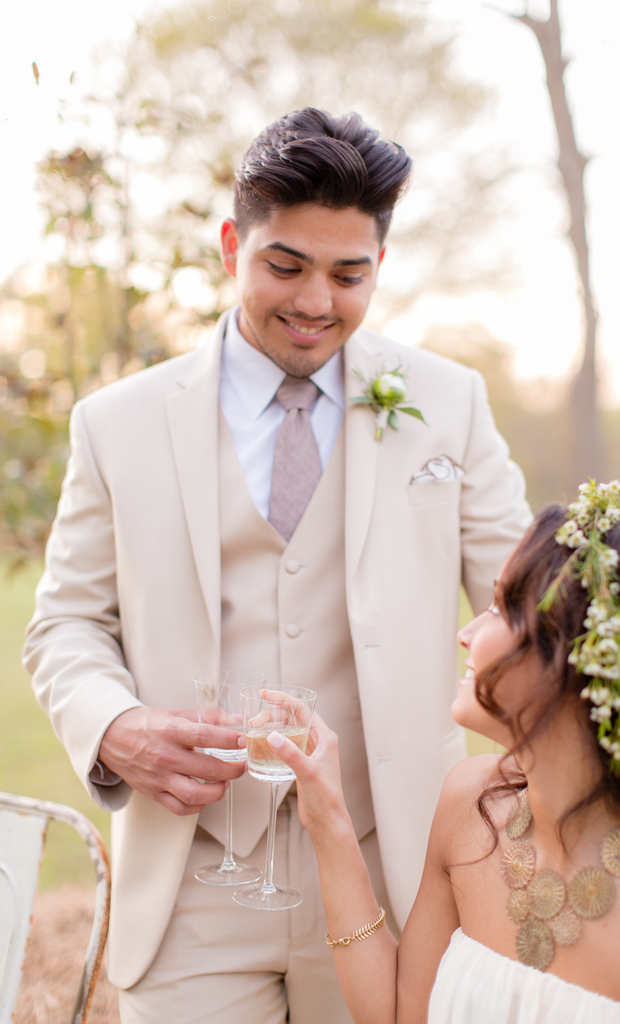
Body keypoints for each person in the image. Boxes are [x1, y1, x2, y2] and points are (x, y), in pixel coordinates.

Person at [23, 107, 530, 1024]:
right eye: (284, 266)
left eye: (348, 275)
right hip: (192, 879)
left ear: (380, 266)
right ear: (230, 246)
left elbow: (533, 608)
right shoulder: (117, 422)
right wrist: (115, 725)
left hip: (394, 868)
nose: (313, 303)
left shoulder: (447, 404)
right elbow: (63, 624)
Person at [272, 481, 620, 1023]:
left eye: (499, 609)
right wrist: (328, 819)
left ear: (575, 660)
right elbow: (398, 1016)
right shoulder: (472, 805)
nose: (467, 633)